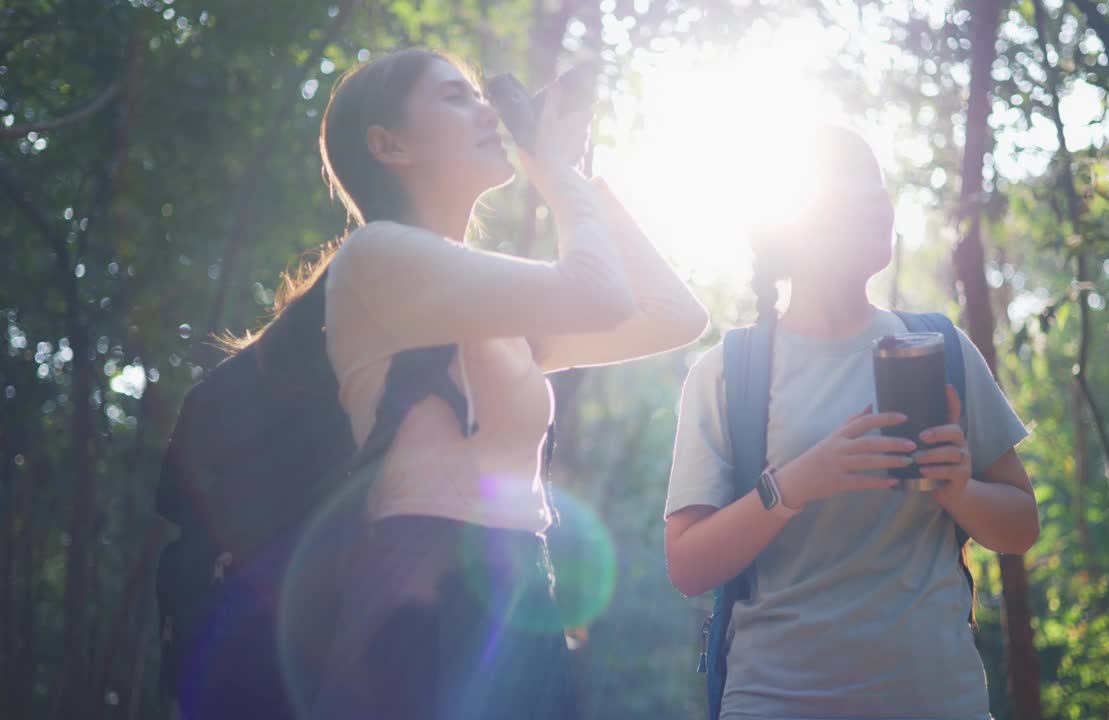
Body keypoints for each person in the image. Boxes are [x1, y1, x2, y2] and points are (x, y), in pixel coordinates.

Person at [291, 49, 708, 719]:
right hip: (420, 592)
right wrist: (550, 171)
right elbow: (599, 296)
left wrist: (569, 173)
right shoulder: (377, 256)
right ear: (389, 144)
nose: (488, 110)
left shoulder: (487, 299)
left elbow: (673, 317)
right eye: (456, 97)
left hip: (519, 589)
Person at [663, 125, 1038, 720]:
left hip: (938, 699)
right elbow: (687, 566)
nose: (879, 209)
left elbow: (1021, 527)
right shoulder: (729, 372)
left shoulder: (940, 347)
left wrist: (960, 490)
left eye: (879, 193)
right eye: (850, 198)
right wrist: (795, 484)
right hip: (777, 701)